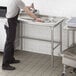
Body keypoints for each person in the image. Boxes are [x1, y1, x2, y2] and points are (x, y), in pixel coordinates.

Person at [2, 0, 43, 70]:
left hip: (10, 22)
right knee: (9, 43)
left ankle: (11, 59)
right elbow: (27, 12)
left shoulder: (16, 1)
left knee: (11, 42)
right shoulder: (18, 0)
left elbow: (23, 7)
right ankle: (5, 64)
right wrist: (36, 18)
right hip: (10, 23)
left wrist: (29, 7)